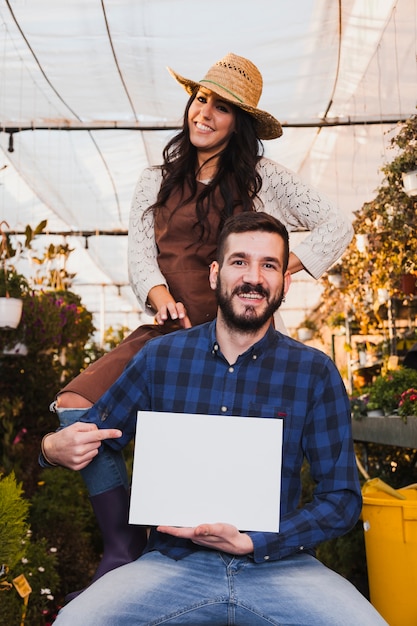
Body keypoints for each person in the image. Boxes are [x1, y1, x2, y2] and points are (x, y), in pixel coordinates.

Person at [41, 52, 354, 592]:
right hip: (170, 329)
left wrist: (277, 269)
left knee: (225, 437)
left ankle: (229, 548)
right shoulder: (155, 180)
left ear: (241, 124)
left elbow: (337, 224)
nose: (205, 113)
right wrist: (158, 292)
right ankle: (123, 545)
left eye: (222, 107)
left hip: (231, 329)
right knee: (74, 408)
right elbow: (140, 253)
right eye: (201, 99)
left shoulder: (263, 179)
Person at [49, 212, 386, 626]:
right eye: (240, 261)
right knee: (75, 621)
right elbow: (101, 436)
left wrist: (256, 541)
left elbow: (342, 500)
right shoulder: (161, 358)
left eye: (269, 265)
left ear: (284, 282)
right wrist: (51, 448)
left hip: (279, 566)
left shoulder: (314, 373)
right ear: (215, 274)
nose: (254, 277)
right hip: (173, 565)